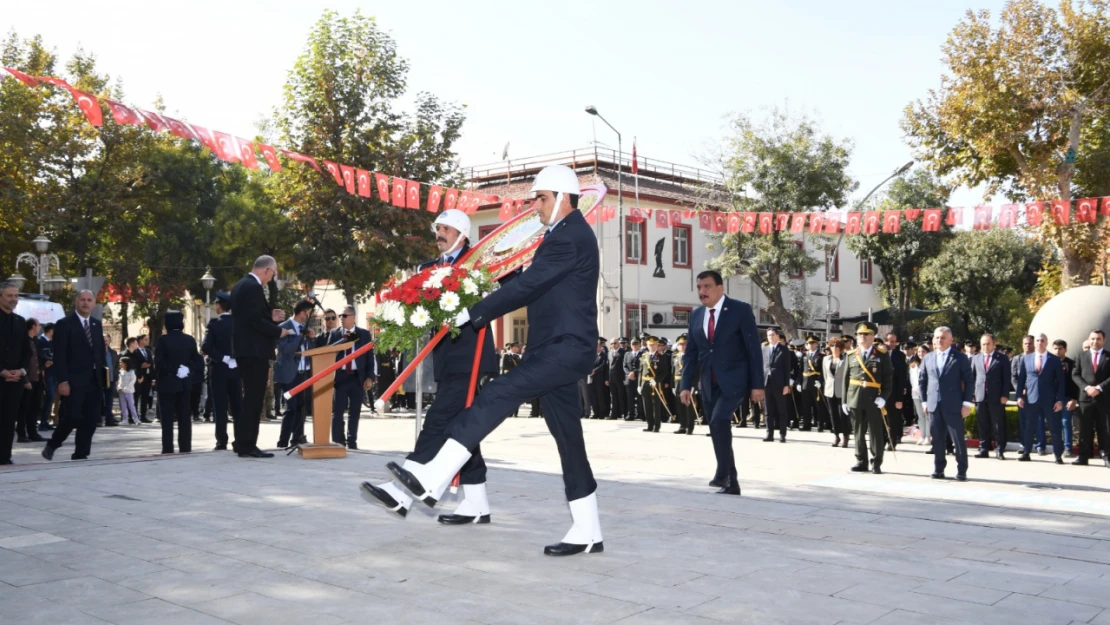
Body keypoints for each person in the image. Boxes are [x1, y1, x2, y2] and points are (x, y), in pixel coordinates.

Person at [383, 165, 605, 556]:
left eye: (541, 198)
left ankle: (433, 477)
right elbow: (530, 285)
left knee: (496, 395)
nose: (534, 206)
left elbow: (528, 285)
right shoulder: (560, 236)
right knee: (569, 441)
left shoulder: (568, 238)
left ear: (564, 198)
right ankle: (588, 530)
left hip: (564, 348)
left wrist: (473, 312)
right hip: (553, 349)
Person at [364, 208, 500, 522]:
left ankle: (401, 495)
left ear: (462, 234)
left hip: (471, 357)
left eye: (446, 229)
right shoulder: (428, 269)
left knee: (438, 421)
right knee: (463, 429)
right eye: (438, 228)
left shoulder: (478, 267)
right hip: (445, 359)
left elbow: (506, 291)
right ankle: (477, 504)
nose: (439, 234)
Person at [679, 270, 763, 495]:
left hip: (735, 380)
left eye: (706, 286)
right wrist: (685, 384)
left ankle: (721, 472)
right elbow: (691, 354)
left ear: (720, 288)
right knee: (718, 428)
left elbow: (753, 349)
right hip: (708, 382)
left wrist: (757, 385)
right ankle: (731, 483)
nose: (702, 292)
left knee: (718, 421)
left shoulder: (740, 310)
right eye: (699, 287)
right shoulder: (697, 316)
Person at [230, 255, 293, 459]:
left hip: (245, 350)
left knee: (249, 397)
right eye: (273, 274)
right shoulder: (253, 287)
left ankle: (241, 442)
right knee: (254, 398)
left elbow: (251, 317)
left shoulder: (240, 285)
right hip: (254, 351)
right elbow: (255, 322)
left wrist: (270, 318)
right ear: (266, 270)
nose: (272, 278)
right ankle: (247, 444)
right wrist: (279, 331)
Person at [42, 290, 105, 461]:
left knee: (91, 420)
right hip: (73, 380)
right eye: (82, 300)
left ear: (94, 303)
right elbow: (60, 355)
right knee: (73, 416)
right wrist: (63, 380)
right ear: (77, 302)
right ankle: (53, 443)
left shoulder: (96, 324)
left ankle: (81, 453)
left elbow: (99, 352)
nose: (86, 303)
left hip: (94, 380)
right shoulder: (64, 324)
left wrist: (104, 378)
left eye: (89, 300)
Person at [921, 326, 975, 480]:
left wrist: (966, 404)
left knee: (957, 439)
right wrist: (925, 402)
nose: (940, 340)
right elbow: (923, 381)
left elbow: (969, 381)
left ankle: (962, 469)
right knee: (937, 439)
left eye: (943, 338)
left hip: (954, 405)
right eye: (937, 338)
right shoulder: (928, 357)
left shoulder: (960, 358)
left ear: (951, 340)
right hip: (933, 404)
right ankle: (939, 469)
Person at [841, 322, 894, 474]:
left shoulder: (881, 355)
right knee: (858, 431)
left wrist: (884, 397)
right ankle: (861, 461)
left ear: (873, 336)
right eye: (859, 334)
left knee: (875, 432)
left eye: (866, 334)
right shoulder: (851, 355)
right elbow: (845, 379)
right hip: (855, 397)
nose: (862, 337)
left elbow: (888, 379)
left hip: (873, 398)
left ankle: (876, 461)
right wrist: (844, 400)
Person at [154, 311, 202, 454]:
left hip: (167, 384)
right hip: (184, 383)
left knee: (167, 419)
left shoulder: (163, 340)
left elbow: (159, 363)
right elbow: (197, 360)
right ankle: (185, 447)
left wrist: (174, 370)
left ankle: (168, 448)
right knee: (184, 418)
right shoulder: (189, 339)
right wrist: (187, 369)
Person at [329, 305, 375, 450]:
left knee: (355, 411)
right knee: (338, 411)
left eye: (344, 316)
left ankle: (352, 441)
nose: (341, 319)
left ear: (353, 317)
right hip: (340, 377)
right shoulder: (335, 334)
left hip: (357, 377)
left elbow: (369, 357)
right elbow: (328, 354)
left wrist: (370, 377)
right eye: (340, 316)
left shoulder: (364, 334)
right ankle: (338, 441)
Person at [1013, 333, 1065, 463]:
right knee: (1029, 427)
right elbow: (1021, 379)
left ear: (1046, 343)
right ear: (1034, 342)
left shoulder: (1054, 359)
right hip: (1031, 398)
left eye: (1042, 341)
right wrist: (1019, 396)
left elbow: (1061, 381)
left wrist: (1060, 400)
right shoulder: (1027, 358)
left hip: (1050, 399)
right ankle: (1026, 452)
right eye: (1037, 341)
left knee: (1054, 427)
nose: (1039, 343)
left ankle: (1058, 455)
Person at [201, 292, 240, 451]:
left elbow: (206, 347)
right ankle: (240, 440)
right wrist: (235, 359)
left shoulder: (214, 324)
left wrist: (223, 358)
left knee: (220, 407)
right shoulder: (239, 324)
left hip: (218, 370)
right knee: (238, 407)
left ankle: (221, 441)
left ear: (219, 305)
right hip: (236, 369)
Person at [275, 300, 316, 448]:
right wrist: (300, 336)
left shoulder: (306, 329)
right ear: (302, 313)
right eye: (308, 314)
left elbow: (311, 350)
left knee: (302, 407)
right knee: (291, 407)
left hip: (304, 373)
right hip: (289, 373)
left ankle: (297, 438)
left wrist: (311, 338)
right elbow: (285, 349)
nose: (309, 317)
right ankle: (283, 441)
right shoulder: (284, 327)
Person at [0, 283, 31, 464]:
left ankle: (5, 457)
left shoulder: (20, 322)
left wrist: (21, 370)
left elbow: (27, 351)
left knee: (9, 420)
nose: (13, 299)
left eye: (16, 296)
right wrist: (2, 371)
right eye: (9, 295)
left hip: (15, 381)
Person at [1071, 329, 1110, 467]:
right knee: (1085, 428)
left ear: (1103, 340)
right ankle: (1083, 456)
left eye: (1098, 339)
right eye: (1093, 339)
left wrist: (1099, 388)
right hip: (1086, 398)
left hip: (1103, 398)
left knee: (1104, 428)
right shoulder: (1081, 355)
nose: (1095, 341)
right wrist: (1087, 388)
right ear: (1089, 339)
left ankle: (1106, 456)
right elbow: (1075, 374)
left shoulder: (1108, 356)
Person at [972, 333, 1011, 460]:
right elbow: (972, 377)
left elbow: (1006, 379)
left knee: (998, 424)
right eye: (983, 344)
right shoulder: (976, 358)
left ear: (994, 344)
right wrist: (972, 394)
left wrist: (1005, 395)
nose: (985, 346)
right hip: (980, 395)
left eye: (988, 343)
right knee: (982, 423)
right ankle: (984, 448)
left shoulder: (1002, 358)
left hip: (996, 396)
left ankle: (999, 449)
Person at [17, 318, 45, 443]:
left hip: (37, 379)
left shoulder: (36, 341)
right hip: (26, 380)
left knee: (34, 408)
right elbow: (21, 362)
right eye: (38, 325)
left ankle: (33, 432)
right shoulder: (23, 341)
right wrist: (25, 379)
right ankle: (21, 434)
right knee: (24, 408)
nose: (40, 327)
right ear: (33, 326)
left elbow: (38, 359)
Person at [762, 328, 792, 443]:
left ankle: (782, 434)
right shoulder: (763, 348)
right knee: (768, 411)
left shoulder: (784, 349)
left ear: (777, 336)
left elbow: (787, 368)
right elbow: (761, 366)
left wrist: (786, 385)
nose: (770, 337)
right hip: (766, 383)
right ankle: (769, 434)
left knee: (781, 410)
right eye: (768, 335)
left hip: (779, 384)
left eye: (772, 335)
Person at [1054, 340, 1078, 458]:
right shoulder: (1050, 363)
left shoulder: (1071, 364)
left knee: (1065, 422)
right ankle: (1058, 447)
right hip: (1053, 398)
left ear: (1065, 349)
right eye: (1056, 349)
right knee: (1055, 423)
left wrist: (1074, 399)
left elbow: (1075, 383)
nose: (1058, 351)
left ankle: (1068, 448)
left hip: (1067, 397)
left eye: (1060, 349)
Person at [823, 338, 849, 447]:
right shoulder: (826, 359)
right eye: (833, 346)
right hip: (830, 390)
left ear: (841, 348)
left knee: (843, 414)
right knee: (833, 414)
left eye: (837, 346)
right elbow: (825, 375)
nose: (835, 348)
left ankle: (846, 436)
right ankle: (836, 435)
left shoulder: (846, 359)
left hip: (842, 390)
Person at [1012, 335, 1035, 454]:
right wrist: (1020, 390)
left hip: (1036, 394)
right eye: (1025, 343)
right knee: (1024, 421)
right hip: (1023, 396)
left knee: (1039, 420)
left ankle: (1040, 445)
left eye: (1030, 343)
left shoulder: (1038, 357)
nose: (1027, 345)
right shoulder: (1017, 359)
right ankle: (1024, 445)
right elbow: (1014, 377)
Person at [884, 332, 907, 448]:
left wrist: (899, 398)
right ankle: (881, 440)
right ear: (885, 341)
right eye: (889, 341)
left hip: (893, 391)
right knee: (880, 417)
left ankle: (891, 440)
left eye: (894, 341)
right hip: (880, 391)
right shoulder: (878, 354)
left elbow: (901, 377)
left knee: (892, 418)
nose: (891, 343)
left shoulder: (900, 355)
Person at [798, 336, 825, 432]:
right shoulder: (804, 356)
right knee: (806, 405)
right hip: (805, 383)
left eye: (813, 343)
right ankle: (806, 424)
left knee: (818, 405)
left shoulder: (822, 356)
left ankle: (820, 424)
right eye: (809, 343)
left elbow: (823, 371)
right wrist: (798, 383)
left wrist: (821, 381)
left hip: (815, 383)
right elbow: (800, 370)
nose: (811, 345)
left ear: (817, 344)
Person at [673, 335, 696, 434]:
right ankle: (682, 425)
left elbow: (696, 371)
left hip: (688, 384)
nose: (682, 346)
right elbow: (672, 372)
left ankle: (689, 427)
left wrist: (693, 385)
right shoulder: (675, 357)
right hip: (678, 383)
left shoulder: (692, 356)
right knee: (680, 406)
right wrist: (673, 385)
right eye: (680, 344)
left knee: (689, 407)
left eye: (684, 344)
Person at [37, 322, 56, 432]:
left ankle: (46, 421)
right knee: (49, 396)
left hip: (53, 372)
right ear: (50, 331)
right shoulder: (40, 341)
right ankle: (42, 422)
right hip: (45, 373)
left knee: (51, 398)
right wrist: (44, 364)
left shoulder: (53, 342)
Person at [132, 334, 155, 423]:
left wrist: (153, 378)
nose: (147, 341)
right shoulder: (135, 351)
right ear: (140, 341)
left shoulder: (148, 351)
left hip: (148, 378)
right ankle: (135, 416)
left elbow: (151, 365)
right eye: (146, 339)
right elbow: (133, 363)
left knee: (145, 398)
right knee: (136, 397)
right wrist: (141, 366)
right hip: (139, 377)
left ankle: (143, 416)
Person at [911, 345, 930, 446]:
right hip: (916, 393)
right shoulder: (914, 365)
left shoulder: (930, 363)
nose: (921, 354)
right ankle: (922, 436)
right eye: (919, 352)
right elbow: (912, 379)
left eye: (923, 351)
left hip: (927, 393)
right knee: (920, 416)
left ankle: (928, 436)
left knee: (927, 415)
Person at [588, 338, 609, 419]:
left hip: (599, 379)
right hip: (591, 379)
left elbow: (603, 365)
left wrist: (594, 371)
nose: (596, 348)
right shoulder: (592, 355)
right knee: (593, 396)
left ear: (600, 347)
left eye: (597, 346)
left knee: (600, 396)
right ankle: (595, 412)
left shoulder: (604, 355)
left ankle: (602, 413)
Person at [608, 337, 628, 420]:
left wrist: (624, 378)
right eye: (612, 343)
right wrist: (607, 378)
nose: (613, 345)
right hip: (611, 378)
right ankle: (614, 414)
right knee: (613, 397)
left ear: (618, 343)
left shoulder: (623, 352)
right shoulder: (609, 353)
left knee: (621, 396)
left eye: (615, 343)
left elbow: (624, 366)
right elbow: (608, 366)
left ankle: (624, 413)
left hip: (620, 378)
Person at [623, 338, 642, 422]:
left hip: (638, 379)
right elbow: (624, 366)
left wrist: (634, 373)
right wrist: (629, 374)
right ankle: (630, 414)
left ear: (639, 345)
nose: (634, 345)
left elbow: (642, 367)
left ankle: (641, 414)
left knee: (639, 398)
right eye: (633, 344)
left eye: (636, 344)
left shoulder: (643, 354)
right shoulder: (627, 354)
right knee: (629, 398)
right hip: (629, 379)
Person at [102, 334, 119, 426]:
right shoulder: (97, 352)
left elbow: (116, 367)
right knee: (100, 401)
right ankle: (99, 419)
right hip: (101, 380)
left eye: (107, 339)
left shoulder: (113, 353)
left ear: (110, 341)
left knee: (109, 401)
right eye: (103, 339)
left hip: (111, 380)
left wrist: (116, 379)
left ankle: (109, 420)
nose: (105, 341)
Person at [117, 356, 139, 425]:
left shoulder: (131, 372)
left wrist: (126, 388)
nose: (120, 364)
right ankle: (125, 420)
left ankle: (136, 419)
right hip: (121, 392)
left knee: (131, 405)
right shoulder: (121, 372)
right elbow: (119, 381)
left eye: (121, 362)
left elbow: (132, 381)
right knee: (123, 406)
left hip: (129, 391)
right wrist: (119, 388)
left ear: (126, 363)